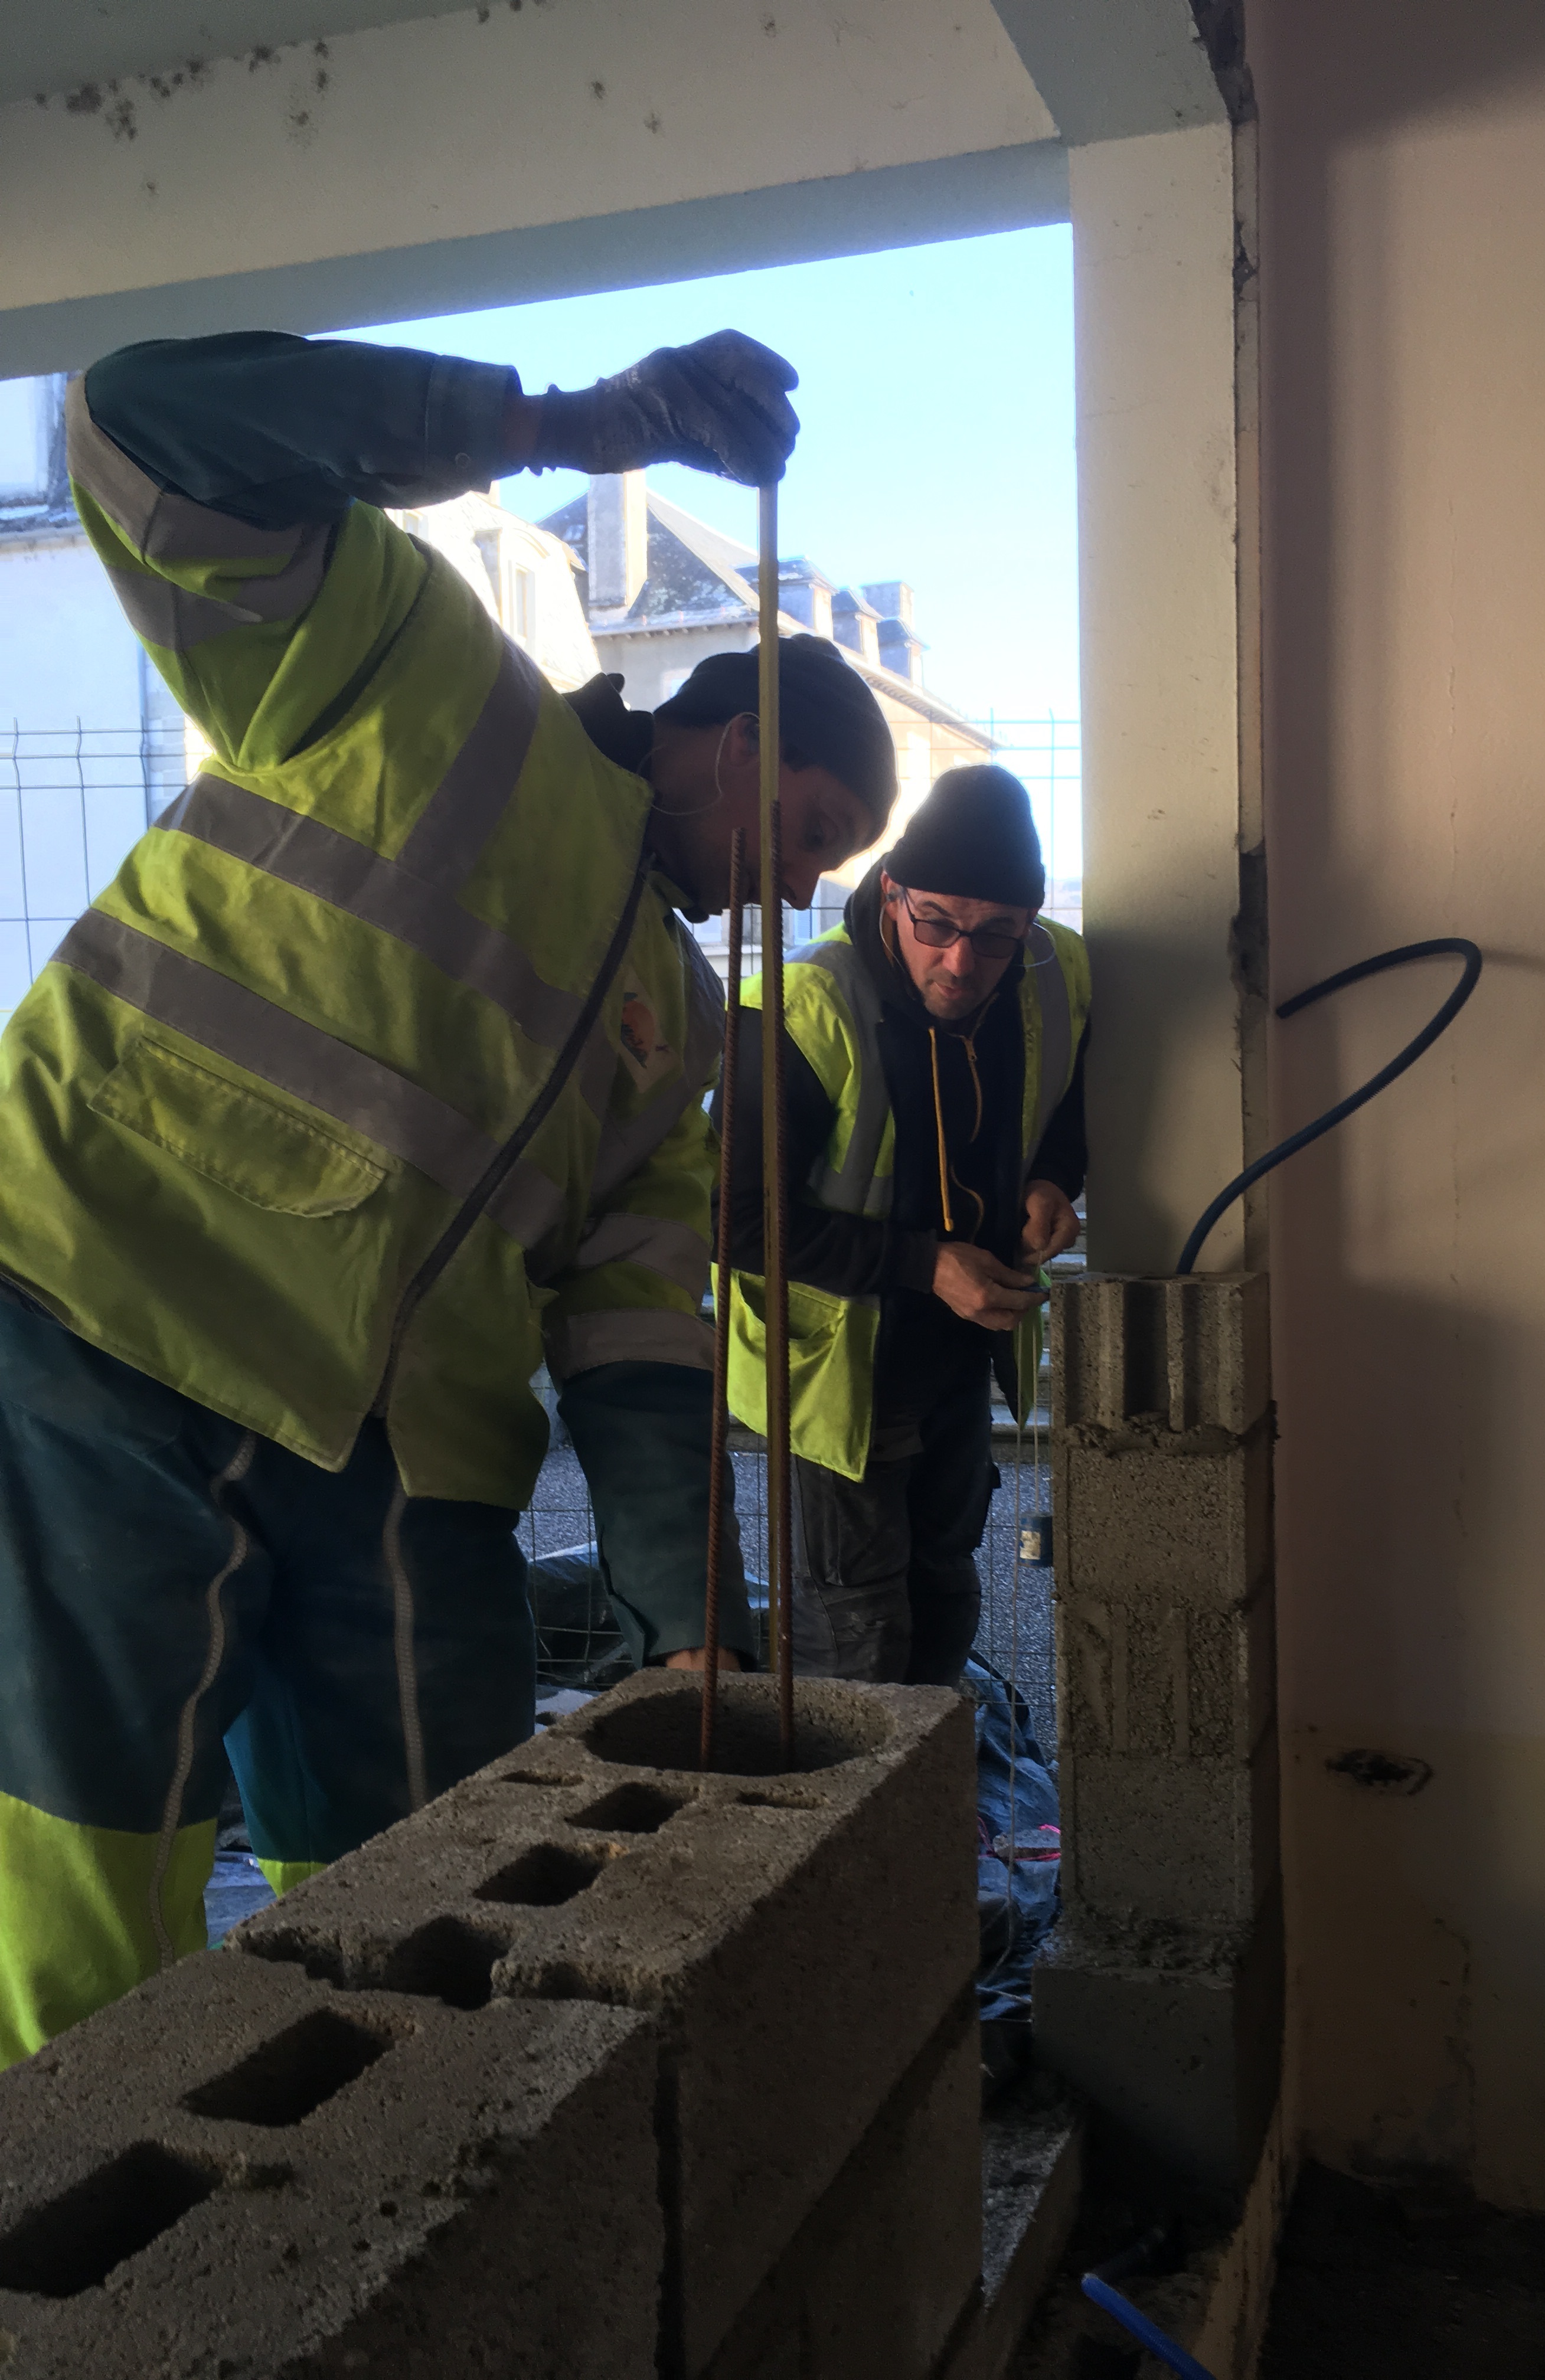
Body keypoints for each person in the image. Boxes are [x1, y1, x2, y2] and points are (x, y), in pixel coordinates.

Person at [0, 326, 897, 2067]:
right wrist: (561, 425)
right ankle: (81, 2270)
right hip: (108, 1329)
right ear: (725, 731)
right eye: (806, 826)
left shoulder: (686, 1030)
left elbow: (641, 1354)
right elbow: (137, 421)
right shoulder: (417, 666)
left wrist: (695, 1641)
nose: (800, 882)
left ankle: (369, 2235)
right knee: (90, 1879)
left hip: (404, 1473)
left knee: (432, 1903)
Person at [725, 765, 1090, 1683]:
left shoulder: (1052, 972)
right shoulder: (799, 1011)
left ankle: (933, 1820)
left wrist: (1054, 1175)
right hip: (839, 1370)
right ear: (892, 894)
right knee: (855, 1640)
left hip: (963, 1355)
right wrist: (927, 1265)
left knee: (944, 1597)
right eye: (937, 924)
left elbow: (1076, 1089)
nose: (962, 962)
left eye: (997, 936)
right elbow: (730, 1220)